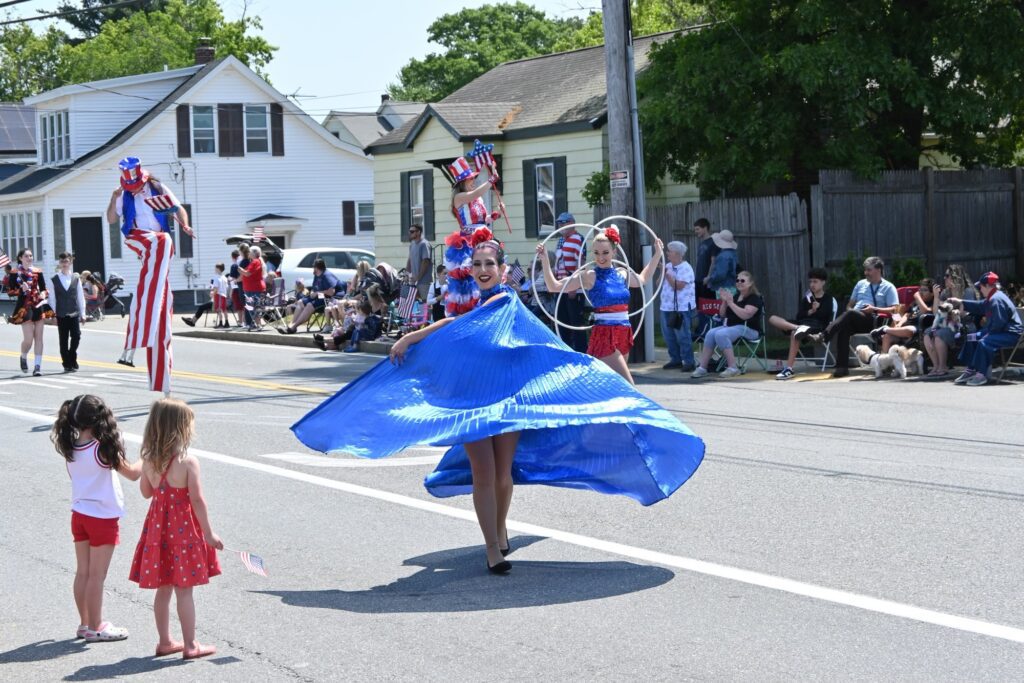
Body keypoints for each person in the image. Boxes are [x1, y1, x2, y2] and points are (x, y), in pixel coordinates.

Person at [292, 229, 704, 575]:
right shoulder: (472, 304)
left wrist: (414, 334)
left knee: (504, 474)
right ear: (470, 270)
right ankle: (492, 548)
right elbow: (456, 327)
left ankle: (500, 529)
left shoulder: (504, 302)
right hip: (473, 400)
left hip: (506, 400)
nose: (484, 269)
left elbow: (477, 327)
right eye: (477, 264)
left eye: (490, 264)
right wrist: (414, 340)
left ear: (503, 270)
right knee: (484, 473)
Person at [129, 398, 223, 659]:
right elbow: (197, 500)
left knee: (163, 589)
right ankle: (191, 645)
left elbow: (146, 493)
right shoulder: (187, 462)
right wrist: (208, 533)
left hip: (158, 532)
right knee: (184, 590)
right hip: (183, 533)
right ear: (181, 429)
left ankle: (165, 641)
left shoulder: (149, 460)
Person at [50, 395, 142, 643]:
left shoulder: (71, 448)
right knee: (96, 576)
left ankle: (85, 624)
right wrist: (147, 456)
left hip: (79, 514)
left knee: (83, 573)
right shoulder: (102, 449)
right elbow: (133, 474)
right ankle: (97, 626)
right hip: (102, 517)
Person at [107, 156, 191, 394]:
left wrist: (185, 225)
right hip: (137, 237)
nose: (133, 189)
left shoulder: (157, 188)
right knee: (161, 242)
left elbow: (178, 208)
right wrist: (113, 198)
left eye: (136, 186)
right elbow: (112, 219)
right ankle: (135, 337)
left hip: (159, 241)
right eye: (129, 186)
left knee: (162, 301)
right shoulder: (123, 195)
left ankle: (161, 384)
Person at [539, 226, 664, 385]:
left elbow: (643, 279)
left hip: (623, 332)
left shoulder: (622, 273)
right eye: (596, 253)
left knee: (614, 385)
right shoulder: (589, 276)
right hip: (604, 335)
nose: (600, 258)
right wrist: (545, 260)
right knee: (628, 386)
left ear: (614, 251)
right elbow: (554, 286)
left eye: (605, 252)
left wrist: (657, 254)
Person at [808, 256, 899, 378]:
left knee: (850, 314)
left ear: (878, 270)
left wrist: (874, 309)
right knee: (845, 327)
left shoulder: (888, 287)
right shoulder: (861, 284)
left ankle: (824, 336)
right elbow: (849, 305)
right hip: (856, 317)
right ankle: (842, 368)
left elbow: (895, 309)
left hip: (875, 320)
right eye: (865, 270)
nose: (865, 273)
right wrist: (850, 312)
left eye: (869, 270)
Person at [445, 155, 502, 316]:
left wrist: (494, 216)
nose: (473, 181)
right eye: (470, 179)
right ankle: (470, 314)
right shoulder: (459, 197)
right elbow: (474, 194)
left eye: (474, 178)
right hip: (468, 243)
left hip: (483, 241)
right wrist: (491, 180)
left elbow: (482, 220)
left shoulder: (479, 200)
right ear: (462, 183)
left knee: (488, 273)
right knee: (470, 280)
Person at [949, 272, 1024, 386]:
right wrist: (962, 302)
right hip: (999, 330)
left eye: (981, 287)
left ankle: (981, 374)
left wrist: (987, 334)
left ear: (988, 286)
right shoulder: (992, 297)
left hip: (1010, 334)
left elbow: (999, 323)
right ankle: (971, 369)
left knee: (983, 342)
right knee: (971, 337)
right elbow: (980, 306)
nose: (980, 290)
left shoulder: (996, 299)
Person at [691, 271, 764, 379]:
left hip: (749, 330)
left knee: (721, 334)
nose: (739, 282)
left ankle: (733, 368)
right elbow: (722, 315)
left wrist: (731, 303)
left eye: (742, 280)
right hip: (732, 327)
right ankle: (703, 367)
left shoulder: (754, 298)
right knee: (710, 333)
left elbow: (745, 315)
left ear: (750, 283)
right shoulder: (736, 296)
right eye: (737, 280)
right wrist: (724, 302)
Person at [768, 268, 837, 380]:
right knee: (773, 318)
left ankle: (789, 369)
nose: (812, 284)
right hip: (802, 323)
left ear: (823, 282)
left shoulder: (828, 299)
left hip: (816, 327)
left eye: (815, 281)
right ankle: (798, 328)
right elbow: (799, 316)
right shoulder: (807, 298)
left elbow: (825, 318)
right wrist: (811, 311)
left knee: (795, 333)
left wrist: (817, 309)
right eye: (810, 282)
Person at [5, 248, 54, 375]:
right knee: (28, 339)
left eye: (31, 256)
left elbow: (44, 289)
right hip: (24, 307)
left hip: (38, 305)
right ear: (20, 258)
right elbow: (10, 291)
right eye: (26, 256)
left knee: (39, 338)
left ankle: (37, 367)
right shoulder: (15, 273)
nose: (29, 258)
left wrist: (43, 294)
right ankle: (23, 356)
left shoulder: (38, 271)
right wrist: (21, 289)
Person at [923, 265, 977, 377]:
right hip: (947, 324)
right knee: (927, 333)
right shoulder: (946, 293)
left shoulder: (967, 291)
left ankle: (943, 366)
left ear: (956, 277)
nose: (944, 278)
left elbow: (964, 313)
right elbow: (936, 313)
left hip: (963, 325)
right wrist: (936, 297)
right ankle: (936, 366)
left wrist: (952, 312)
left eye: (947, 275)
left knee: (939, 334)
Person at [553, 212, 589, 353]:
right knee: (562, 322)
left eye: (564, 222)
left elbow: (581, 263)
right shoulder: (561, 240)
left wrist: (573, 287)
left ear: (572, 223)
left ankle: (581, 352)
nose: (560, 225)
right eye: (559, 223)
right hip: (561, 286)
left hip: (573, 288)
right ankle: (565, 351)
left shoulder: (578, 239)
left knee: (576, 323)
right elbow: (559, 262)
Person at [47, 252, 87, 372]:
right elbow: (52, 299)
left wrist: (83, 313)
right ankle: (66, 363)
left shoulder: (76, 278)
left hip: (74, 313)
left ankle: (72, 355)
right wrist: (53, 315)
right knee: (63, 340)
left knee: (76, 336)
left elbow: (80, 297)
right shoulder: (54, 279)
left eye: (66, 261)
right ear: (59, 263)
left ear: (70, 262)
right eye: (62, 261)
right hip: (61, 314)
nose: (64, 264)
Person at [660, 240, 696, 371]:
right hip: (666, 306)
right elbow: (659, 283)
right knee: (668, 335)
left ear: (676, 253)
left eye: (669, 251)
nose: (667, 253)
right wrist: (663, 273)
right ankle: (675, 359)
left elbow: (678, 286)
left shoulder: (686, 268)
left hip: (681, 308)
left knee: (682, 336)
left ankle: (689, 361)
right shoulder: (668, 266)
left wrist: (667, 274)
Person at [278, 258, 339, 334]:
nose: (313, 269)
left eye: (314, 267)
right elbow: (314, 288)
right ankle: (291, 325)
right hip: (316, 297)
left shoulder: (327, 276)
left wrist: (318, 292)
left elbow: (332, 292)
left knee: (309, 305)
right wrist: (313, 292)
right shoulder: (317, 275)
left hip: (325, 299)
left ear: (316, 268)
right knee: (300, 302)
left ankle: (293, 327)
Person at [874, 278, 935, 352]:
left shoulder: (933, 303)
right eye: (920, 290)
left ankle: (884, 330)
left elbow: (926, 311)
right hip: (905, 327)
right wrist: (899, 324)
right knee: (887, 337)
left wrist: (918, 297)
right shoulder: (915, 303)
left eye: (925, 290)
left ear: (932, 293)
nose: (921, 292)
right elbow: (907, 314)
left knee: (909, 330)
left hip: (918, 328)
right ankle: (885, 358)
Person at [182, 264, 230, 328]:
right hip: (223, 297)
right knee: (223, 310)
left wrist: (213, 293)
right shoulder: (224, 278)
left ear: (218, 269)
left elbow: (216, 289)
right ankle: (226, 323)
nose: (214, 269)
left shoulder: (217, 278)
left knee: (203, 307)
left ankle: (193, 321)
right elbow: (225, 288)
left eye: (215, 268)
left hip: (217, 297)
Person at [238, 245, 266, 330]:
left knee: (254, 307)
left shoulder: (255, 262)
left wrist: (240, 270)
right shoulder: (255, 261)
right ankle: (256, 324)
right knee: (253, 307)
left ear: (254, 253)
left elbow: (247, 273)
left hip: (253, 288)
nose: (248, 253)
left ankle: (258, 325)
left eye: (250, 252)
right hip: (252, 288)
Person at [706, 229, 738, 295]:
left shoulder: (723, 256)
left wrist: (710, 279)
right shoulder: (732, 253)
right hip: (731, 285)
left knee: (722, 301)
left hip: (722, 287)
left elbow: (720, 274)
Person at [406, 224, 432, 302]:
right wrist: (406, 274)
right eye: (409, 231)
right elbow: (409, 260)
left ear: (418, 232)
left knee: (425, 303)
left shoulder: (424, 244)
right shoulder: (412, 244)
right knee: (414, 303)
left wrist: (418, 278)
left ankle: (426, 311)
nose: (410, 233)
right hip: (413, 281)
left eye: (412, 231)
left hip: (424, 281)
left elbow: (425, 262)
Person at [227, 249, 245, 327]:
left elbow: (233, 278)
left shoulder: (234, 265)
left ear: (233, 257)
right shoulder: (244, 262)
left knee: (239, 307)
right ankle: (245, 321)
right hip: (245, 287)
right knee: (244, 306)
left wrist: (229, 278)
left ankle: (240, 321)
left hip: (236, 287)